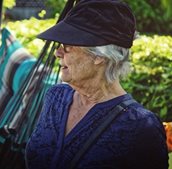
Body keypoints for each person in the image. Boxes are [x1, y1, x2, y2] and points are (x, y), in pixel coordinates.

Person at [25, 0, 169, 169]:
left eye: (68, 45)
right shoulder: (55, 97)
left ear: (99, 55)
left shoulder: (141, 127)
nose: (58, 52)